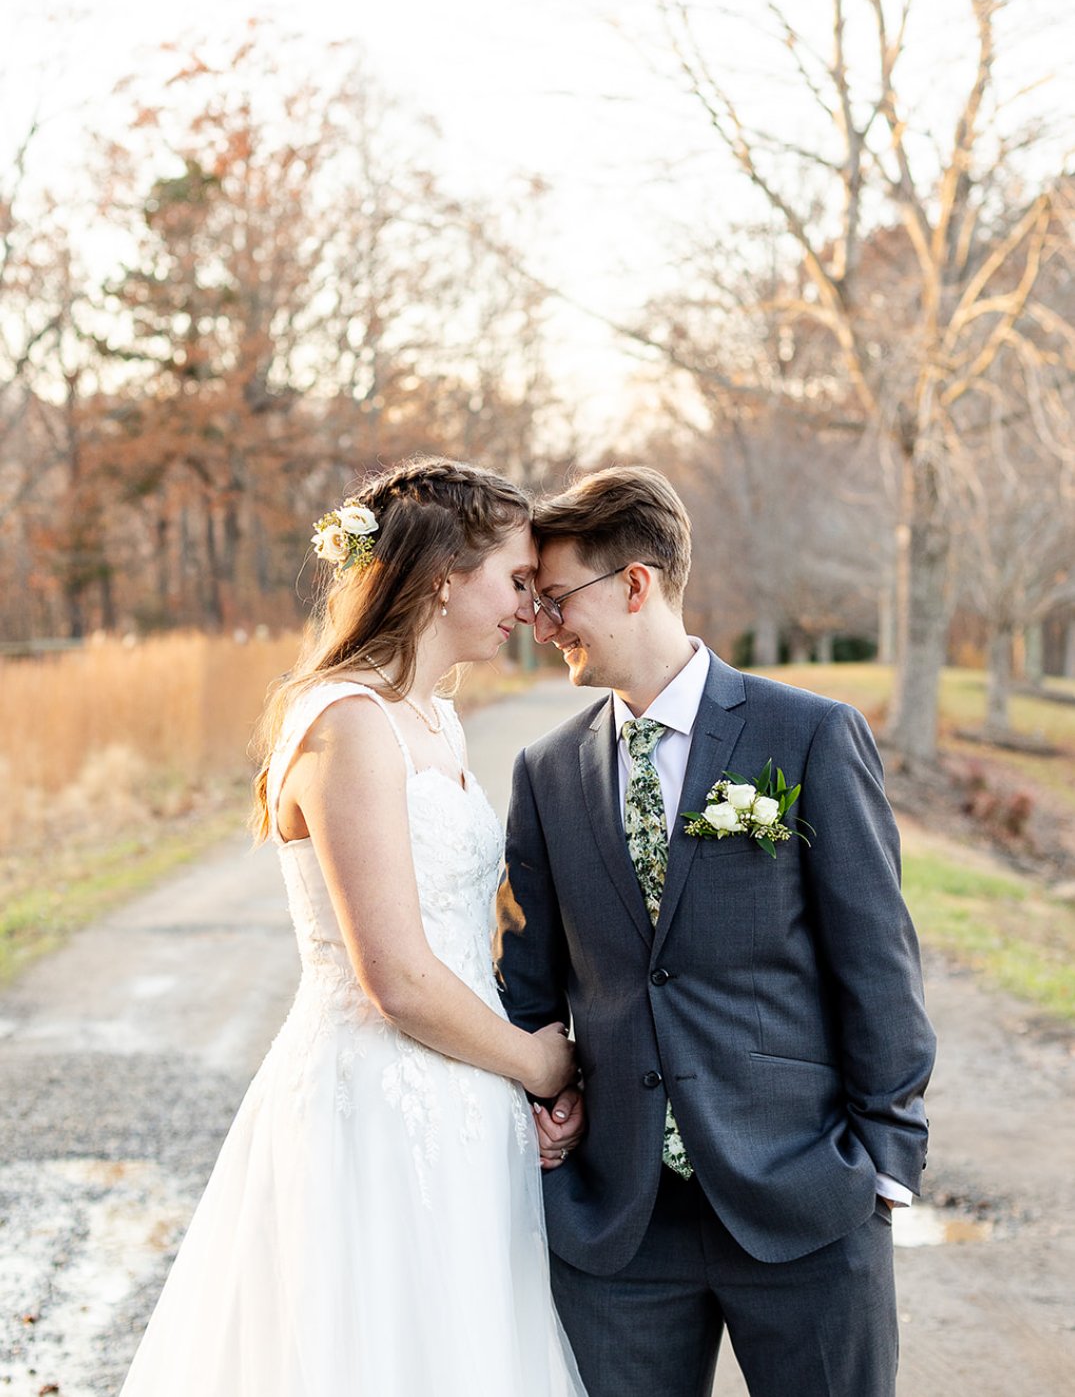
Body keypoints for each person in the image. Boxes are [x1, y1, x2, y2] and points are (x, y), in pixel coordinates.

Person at [119, 456, 586, 1397]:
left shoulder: (434, 721)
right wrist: (544, 1064)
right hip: (371, 1103)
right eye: (516, 579)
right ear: (447, 575)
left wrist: (509, 1088)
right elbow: (396, 976)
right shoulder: (348, 724)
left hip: (459, 1099)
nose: (528, 606)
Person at [496, 465, 936, 1397]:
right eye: (531, 600)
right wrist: (543, 1109)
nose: (542, 623)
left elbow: (878, 963)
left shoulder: (808, 734)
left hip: (805, 1201)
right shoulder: (546, 771)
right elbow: (529, 985)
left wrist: (884, 1168)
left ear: (634, 582)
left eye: (556, 595)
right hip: (619, 1223)